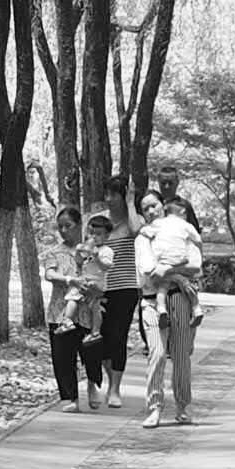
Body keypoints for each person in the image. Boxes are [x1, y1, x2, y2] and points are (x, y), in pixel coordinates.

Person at [42, 207, 106, 413]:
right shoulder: (55, 252)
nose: (63, 230)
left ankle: (93, 384)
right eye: (60, 227)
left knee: (91, 351)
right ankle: (70, 398)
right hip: (60, 311)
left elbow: (103, 270)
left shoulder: (92, 250)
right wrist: (70, 280)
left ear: (79, 226)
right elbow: (50, 275)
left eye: (68, 226)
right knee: (63, 356)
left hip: (87, 310)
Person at [96, 174, 142, 409]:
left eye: (114, 194)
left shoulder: (135, 220)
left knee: (118, 337)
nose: (109, 199)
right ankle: (108, 378)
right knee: (100, 337)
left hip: (125, 288)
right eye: (107, 194)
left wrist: (132, 203)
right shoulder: (99, 222)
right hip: (101, 288)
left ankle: (115, 388)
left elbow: (136, 231)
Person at [135, 193, 204, 330]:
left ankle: (193, 310)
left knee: (180, 351)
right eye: (145, 209)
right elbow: (149, 272)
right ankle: (165, 311)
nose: (151, 211)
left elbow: (196, 267)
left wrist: (167, 270)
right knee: (157, 352)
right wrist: (179, 277)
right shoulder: (144, 237)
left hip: (181, 297)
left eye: (154, 205)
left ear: (164, 205)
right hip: (151, 300)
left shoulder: (180, 229)